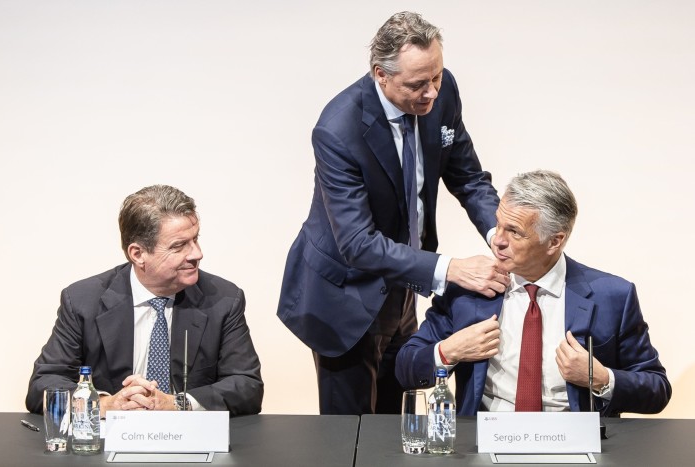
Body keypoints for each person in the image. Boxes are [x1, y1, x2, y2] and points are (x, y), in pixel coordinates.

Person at [277, 11, 509, 415]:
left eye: (436, 77)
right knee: (351, 436)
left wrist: (500, 234)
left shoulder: (442, 90)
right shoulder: (337, 130)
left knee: (394, 421)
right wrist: (450, 268)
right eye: (417, 84)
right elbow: (357, 243)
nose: (432, 93)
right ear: (380, 75)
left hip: (403, 284)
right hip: (343, 297)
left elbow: (469, 177)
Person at [396, 170, 671, 416]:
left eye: (514, 232)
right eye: (498, 224)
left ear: (554, 241)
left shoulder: (612, 296)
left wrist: (600, 378)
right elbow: (406, 368)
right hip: (485, 444)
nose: (498, 240)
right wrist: (450, 350)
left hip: (574, 447)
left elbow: (657, 389)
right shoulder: (469, 289)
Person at [26, 185, 263, 416]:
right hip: (108, 444)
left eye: (195, 239)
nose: (196, 254)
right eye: (179, 246)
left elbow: (247, 386)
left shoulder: (224, 299)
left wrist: (179, 403)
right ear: (138, 254)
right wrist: (105, 405)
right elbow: (43, 385)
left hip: (190, 443)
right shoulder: (82, 301)